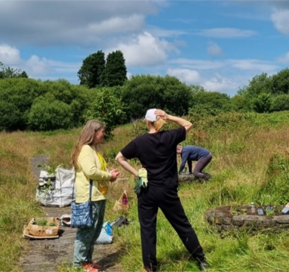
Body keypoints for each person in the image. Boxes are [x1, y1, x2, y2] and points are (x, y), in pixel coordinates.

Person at [116, 109, 208, 272]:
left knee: (147, 229)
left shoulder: (139, 142)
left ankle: (151, 267)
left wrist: (136, 173)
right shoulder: (170, 136)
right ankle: (201, 260)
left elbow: (119, 158)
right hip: (167, 190)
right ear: (160, 121)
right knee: (182, 225)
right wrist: (169, 116)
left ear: (147, 122)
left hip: (146, 191)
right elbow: (188, 124)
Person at [71, 120, 120, 272]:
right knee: (87, 231)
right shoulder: (85, 149)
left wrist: (108, 172)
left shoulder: (94, 150)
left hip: (98, 196)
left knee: (95, 231)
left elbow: (96, 169)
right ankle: (78, 264)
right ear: (93, 132)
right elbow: (91, 171)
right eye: (102, 131)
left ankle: (88, 261)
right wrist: (108, 176)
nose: (104, 134)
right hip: (89, 197)